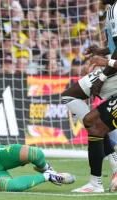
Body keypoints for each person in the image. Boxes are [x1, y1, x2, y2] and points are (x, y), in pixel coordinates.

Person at [61, 0, 117, 193]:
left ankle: (96, 183)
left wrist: (103, 74)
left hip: (113, 72)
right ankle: (113, 165)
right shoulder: (112, 10)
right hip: (113, 70)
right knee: (71, 99)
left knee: (95, 125)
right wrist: (102, 51)